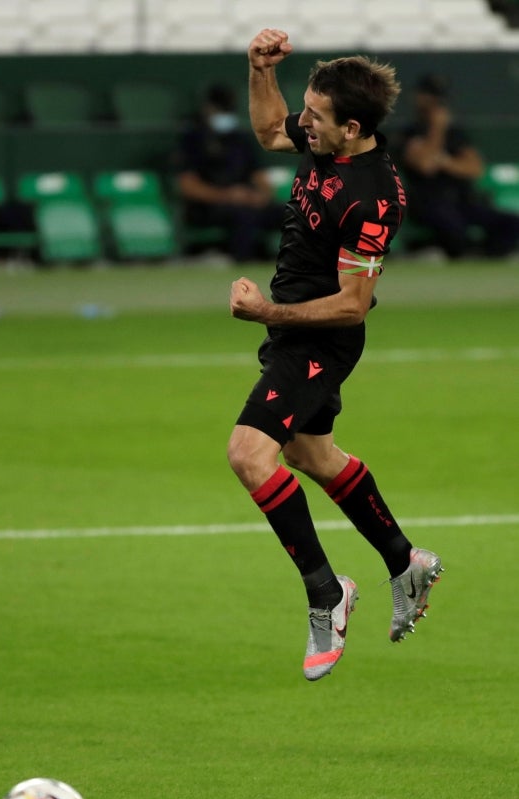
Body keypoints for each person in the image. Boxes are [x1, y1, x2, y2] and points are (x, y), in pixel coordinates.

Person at [225, 28, 442, 682]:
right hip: (291, 334)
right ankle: (405, 561)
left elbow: (351, 304)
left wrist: (265, 310)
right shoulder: (327, 139)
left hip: (320, 338)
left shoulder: (373, 197)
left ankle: (325, 593)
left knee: (248, 454)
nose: (302, 124)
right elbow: (267, 131)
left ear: (351, 129)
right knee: (310, 454)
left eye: (314, 118)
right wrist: (258, 69)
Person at [397, 74, 519, 258]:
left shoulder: (456, 135)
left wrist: (445, 162)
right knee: (452, 227)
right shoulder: (408, 133)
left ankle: (483, 256)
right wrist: (436, 129)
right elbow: (426, 165)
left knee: (510, 224)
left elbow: (475, 168)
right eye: (430, 96)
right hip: (428, 203)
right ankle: (422, 250)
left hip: (462, 201)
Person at [174, 83, 285, 261]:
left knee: (289, 213)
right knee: (243, 215)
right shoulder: (193, 139)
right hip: (208, 207)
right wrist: (228, 196)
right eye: (220, 110)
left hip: (245, 200)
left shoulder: (240, 139)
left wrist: (260, 196)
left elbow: (259, 177)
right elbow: (188, 186)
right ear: (207, 109)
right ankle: (243, 265)